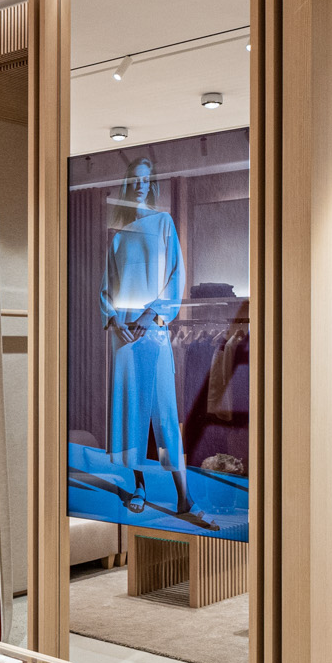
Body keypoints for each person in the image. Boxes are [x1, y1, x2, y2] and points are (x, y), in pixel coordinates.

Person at [98, 157, 193, 517]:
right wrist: (113, 320)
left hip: (152, 329)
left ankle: (184, 494)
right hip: (123, 336)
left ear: (151, 184)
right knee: (132, 411)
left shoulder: (164, 223)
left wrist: (151, 313)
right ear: (127, 184)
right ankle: (139, 485)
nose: (139, 185)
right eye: (134, 179)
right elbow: (107, 290)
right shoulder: (119, 237)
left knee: (165, 411)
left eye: (145, 179)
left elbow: (175, 275)